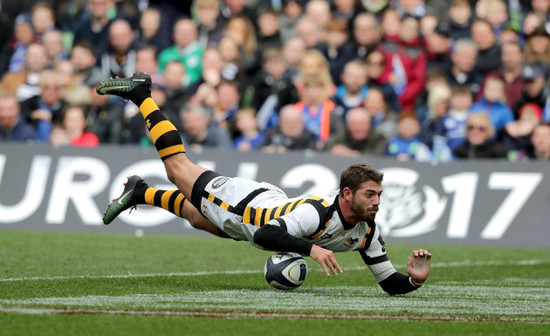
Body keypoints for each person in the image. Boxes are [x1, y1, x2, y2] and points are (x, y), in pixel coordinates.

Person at [95, 72, 432, 293]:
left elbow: (388, 282)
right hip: (245, 207)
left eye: (378, 195)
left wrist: (414, 281)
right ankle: (142, 94)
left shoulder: (367, 232)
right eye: (370, 195)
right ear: (347, 194)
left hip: (265, 207)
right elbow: (265, 234)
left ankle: (140, 191)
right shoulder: (318, 213)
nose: (377, 202)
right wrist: (312, 249)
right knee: (177, 168)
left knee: (198, 216)